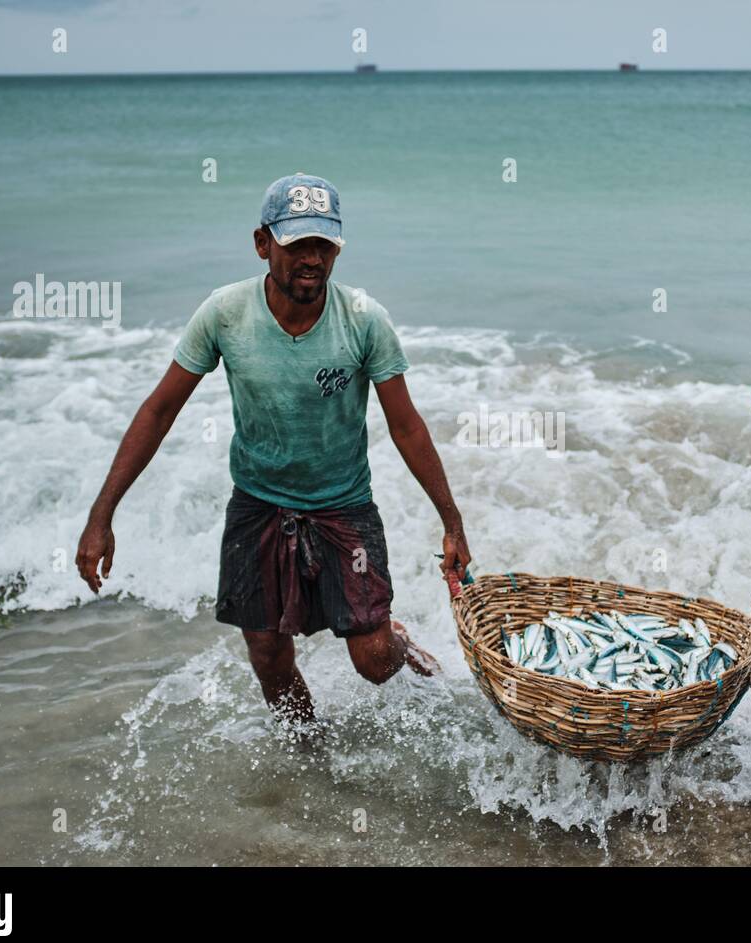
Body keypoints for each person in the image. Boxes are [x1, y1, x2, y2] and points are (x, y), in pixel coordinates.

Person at [76, 173, 472, 723]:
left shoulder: (363, 320)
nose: (312, 259)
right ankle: (310, 756)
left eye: (324, 245)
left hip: (343, 504)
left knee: (374, 661)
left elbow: (406, 427)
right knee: (267, 654)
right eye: (297, 245)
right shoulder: (224, 314)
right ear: (263, 244)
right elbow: (159, 411)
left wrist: (451, 522)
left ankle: (399, 641)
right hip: (258, 503)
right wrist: (103, 515)